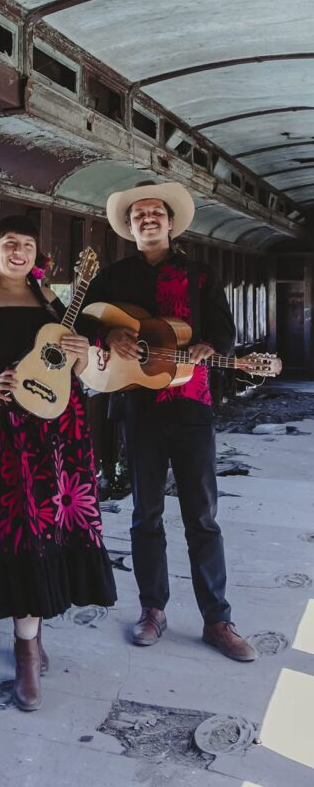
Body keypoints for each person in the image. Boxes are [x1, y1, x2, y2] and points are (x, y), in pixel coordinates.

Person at [0, 215, 116, 712]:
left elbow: (74, 366)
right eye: (10, 243)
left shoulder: (52, 300)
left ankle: (34, 632)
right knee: (19, 528)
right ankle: (26, 649)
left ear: (38, 255)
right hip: (3, 427)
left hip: (60, 429)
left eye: (28, 245)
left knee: (53, 526)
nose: (19, 251)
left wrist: (80, 353)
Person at [81, 181, 256, 662]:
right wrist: (108, 335)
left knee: (202, 516)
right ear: (130, 226)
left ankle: (217, 619)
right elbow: (80, 321)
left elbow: (224, 329)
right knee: (146, 514)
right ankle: (152, 610)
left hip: (192, 404)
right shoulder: (113, 277)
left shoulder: (200, 275)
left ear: (171, 222)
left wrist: (210, 346)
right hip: (138, 407)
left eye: (155, 212)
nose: (148, 219)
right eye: (139, 214)